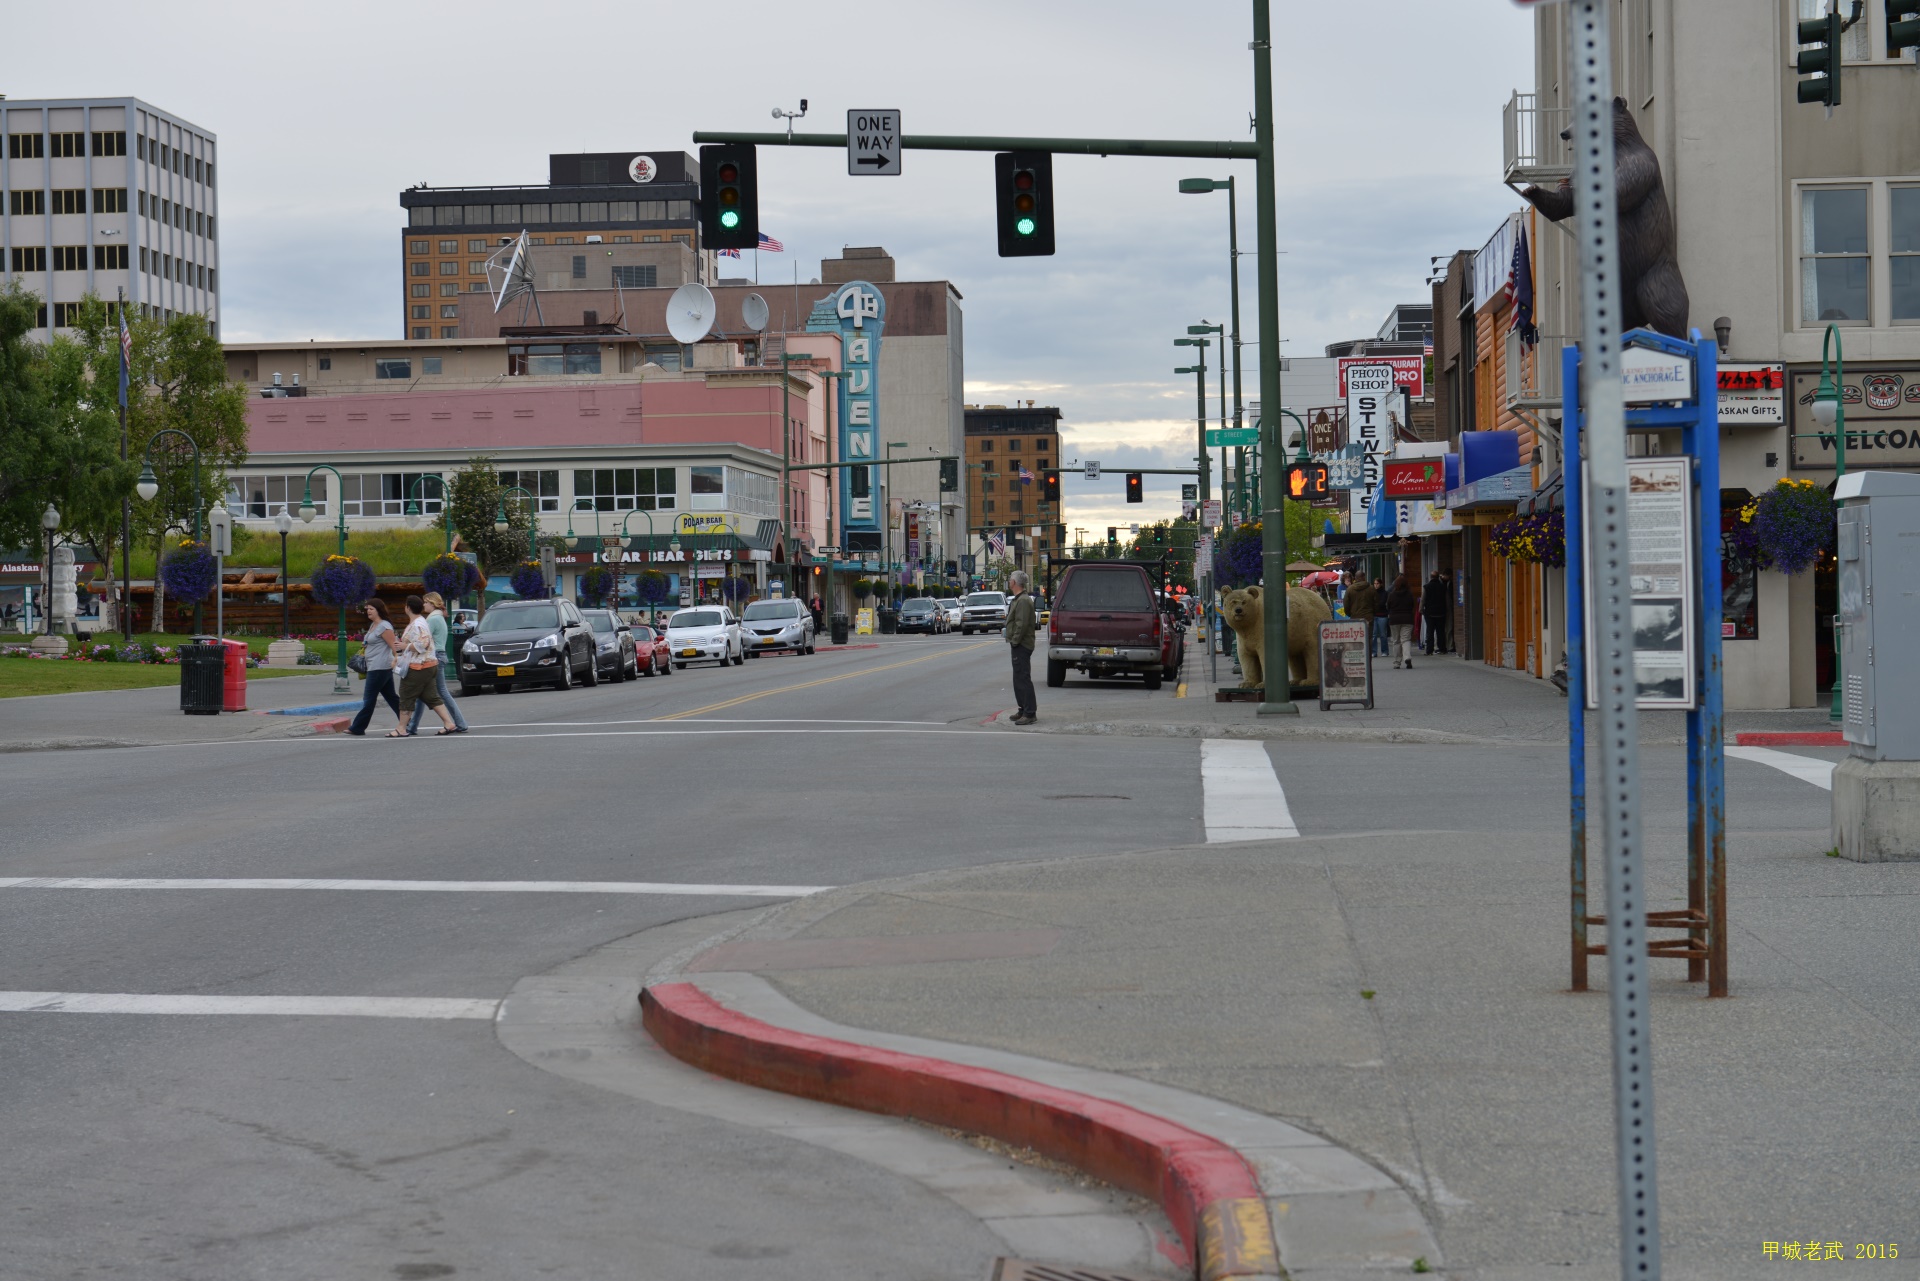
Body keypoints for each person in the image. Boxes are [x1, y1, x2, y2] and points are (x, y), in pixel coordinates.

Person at [392, 595, 458, 737]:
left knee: (406, 694)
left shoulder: (418, 624)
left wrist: (406, 646)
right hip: (429, 665)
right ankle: (449, 723)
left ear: (408, 608)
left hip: (418, 666)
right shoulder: (421, 621)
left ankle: (401, 728)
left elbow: (424, 643)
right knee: (431, 696)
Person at [405, 591, 469, 736]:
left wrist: (407, 645)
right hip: (438, 655)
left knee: (441, 691)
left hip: (435, 656)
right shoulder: (437, 617)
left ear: (432, 604)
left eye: (426, 602)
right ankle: (412, 726)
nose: (424, 605)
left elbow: (424, 640)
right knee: (422, 693)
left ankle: (460, 723)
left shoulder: (432, 619)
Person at [347, 599, 401, 736]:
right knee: (391, 697)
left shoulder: (384, 626)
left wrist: (397, 658)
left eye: (371, 609)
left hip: (380, 667)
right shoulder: (373, 625)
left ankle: (358, 727)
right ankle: (408, 722)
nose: (368, 611)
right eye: (367, 609)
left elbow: (393, 645)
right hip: (374, 665)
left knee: (369, 698)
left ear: (378, 610)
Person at [1004, 569, 1038, 725]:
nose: (1009, 581)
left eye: (1010, 579)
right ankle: (1023, 709)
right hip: (1019, 644)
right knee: (1018, 678)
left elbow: (1022, 624)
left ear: (1014, 582)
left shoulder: (1023, 600)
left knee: (1023, 678)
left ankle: (1030, 712)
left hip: (1022, 645)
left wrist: (1015, 640)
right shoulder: (1018, 599)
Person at [1385, 573, 1419, 669]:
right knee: (1406, 639)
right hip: (1407, 619)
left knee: (1396, 641)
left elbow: (1388, 606)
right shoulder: (1409, 595)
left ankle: (1397, 662)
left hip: (1394, 619)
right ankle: (1407, 657)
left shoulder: (1392, 595)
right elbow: (1412, 605)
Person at [1422, 571, 1449, 656]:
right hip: (1441, 612)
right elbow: (1447, 600)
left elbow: (1423, 599)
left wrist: (1421, 609)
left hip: (1429, 613)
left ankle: (1429, 650)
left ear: (1430, 577)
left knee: (1430, 631)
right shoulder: (1443, 587)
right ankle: (1442, 649)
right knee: (1440, 631)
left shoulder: (1426, 587)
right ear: (1438, 577)